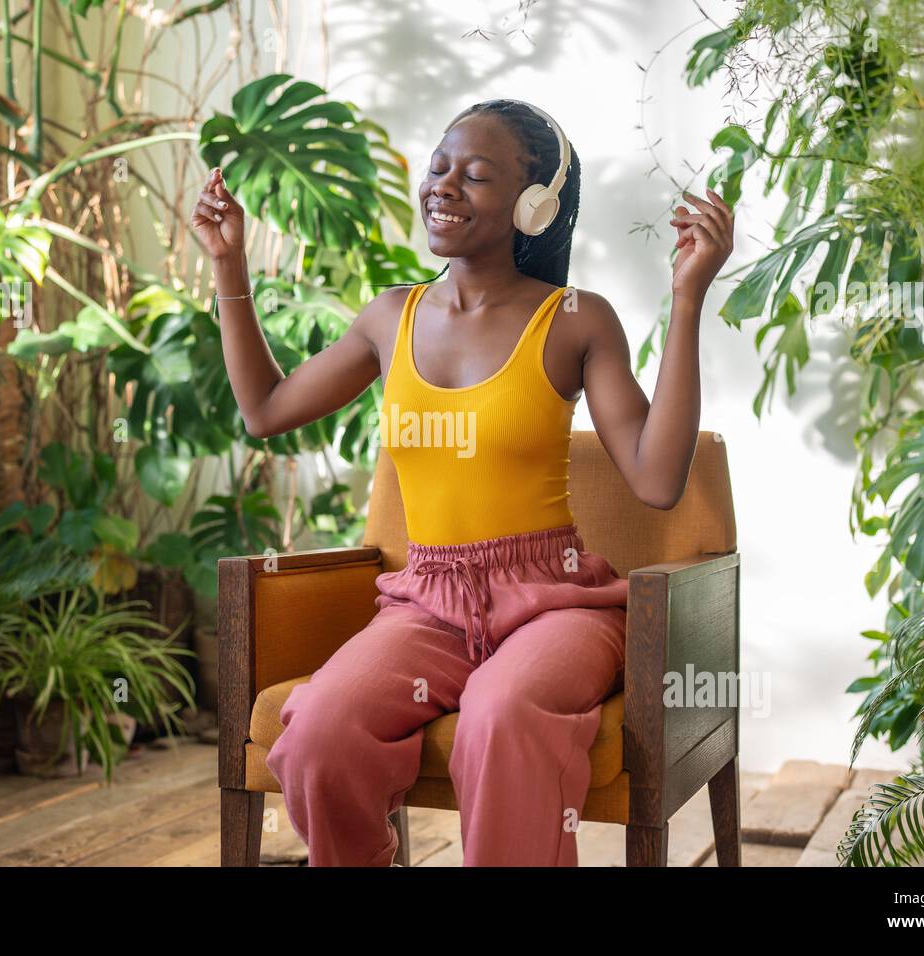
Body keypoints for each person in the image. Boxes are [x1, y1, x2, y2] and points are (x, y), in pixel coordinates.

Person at [192, 98, 734, 866]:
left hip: (556, 600)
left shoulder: (576, 319)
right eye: (439, 166)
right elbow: (266, 409)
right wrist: (227, 264)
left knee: (501, 713)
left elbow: (656, 479)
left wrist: (687, 299)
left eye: (475, 175)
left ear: (534, 205)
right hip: (427, 605)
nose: (443, 186)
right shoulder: (391, 318)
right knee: (318, 733)